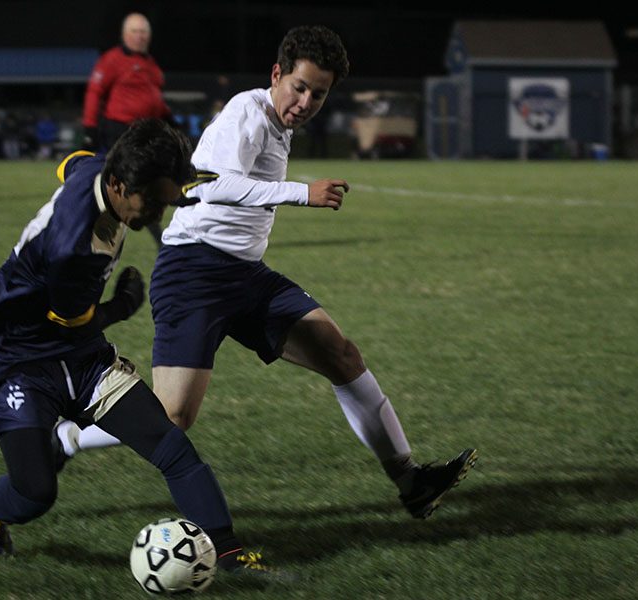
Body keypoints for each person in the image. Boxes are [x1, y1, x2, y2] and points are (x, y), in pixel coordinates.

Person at [59, 26, 477, 520]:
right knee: (174, 416)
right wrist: (303, 192)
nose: (305, 101)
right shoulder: (247, 113)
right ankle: (67, 438)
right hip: (193, 271)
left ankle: (411, 481)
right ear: (276, 74)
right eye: (299, 87)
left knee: (340, 354)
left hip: (246, 276)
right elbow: (214, 186)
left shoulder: (280, 125)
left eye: (318, 94)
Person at [0, 119, 275, 577]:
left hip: (82, 357)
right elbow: (72, 322)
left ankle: (228, 553)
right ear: (116, 185)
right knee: (36, 493)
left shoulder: (107, 169)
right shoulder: (73, 247)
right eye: (150, 200)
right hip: (18, 360)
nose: (156, 212)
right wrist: (125, 305)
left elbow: (73, 165)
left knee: (171, 446)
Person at [81, 12, 171, 248]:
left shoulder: (151, 65)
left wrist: (169, 119)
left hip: (144, 134)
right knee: (133, 183)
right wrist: (89, 126)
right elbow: (95, 92)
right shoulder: (111, 60)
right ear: (124, 35)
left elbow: (154, 99)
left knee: (137, 183)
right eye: (135, 32)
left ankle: (102, 227)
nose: (140, 37)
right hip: (119, 131)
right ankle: (157, 239)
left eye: (144, 32)